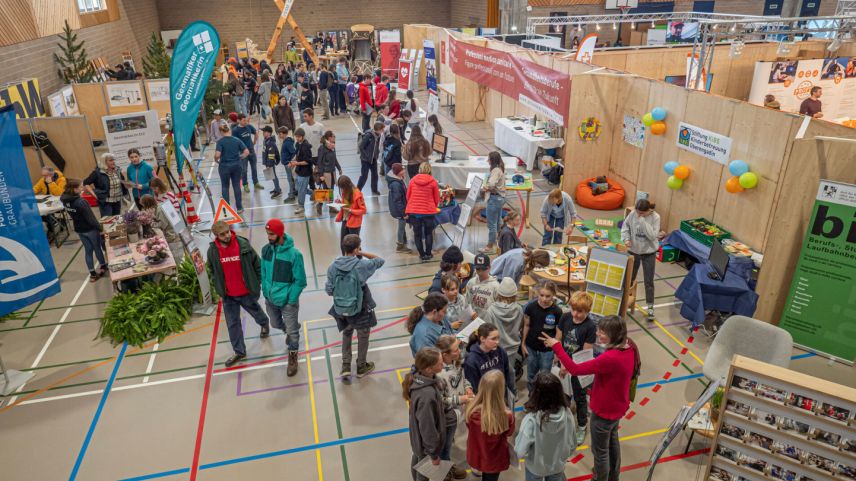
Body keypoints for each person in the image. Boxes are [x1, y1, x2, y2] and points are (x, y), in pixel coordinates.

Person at [541, 316, 637, 481]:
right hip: (617, 408)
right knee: (612, 442)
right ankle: (613, 476)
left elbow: (575, 369)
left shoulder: (610, 358)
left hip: (604, 411)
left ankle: (600, 478)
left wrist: (557, 346)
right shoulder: (629, 347)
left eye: (602, 332)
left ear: (614, 334)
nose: (597, 333)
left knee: (600, 452)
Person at [207, 220, 270, 367]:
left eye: (228, 232)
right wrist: (218, 286)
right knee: (232, 324)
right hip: (228, 296)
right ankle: (240, 351)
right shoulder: (213, 251)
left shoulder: (243, 245)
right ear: (216, 236)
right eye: (223, 234)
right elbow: (211, 270)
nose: (227, 235)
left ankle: (264, 323)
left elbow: (257, 264)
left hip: (246, 292)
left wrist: (258, 282)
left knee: (256, 312)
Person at [326, 234, 384, 378]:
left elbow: (329, 290)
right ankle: (361, 367)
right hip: (360, 308)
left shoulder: (333, 267)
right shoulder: (361, 265)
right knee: (363, 335)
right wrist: (362, 253)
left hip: (341, 309)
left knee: (347, 333)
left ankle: (346, 365)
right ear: (356, 249)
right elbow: (380, 260)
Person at [403, 347, 459, 481]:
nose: (443, 364)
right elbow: (427, 427)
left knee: (418, 459)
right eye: (440, 363)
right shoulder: (426, 395)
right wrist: (433, 454)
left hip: (420, 442)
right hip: (426, 444)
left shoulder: (422, 378)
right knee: (425, 471)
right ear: (429, 369)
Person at [261, 218, 307, 377]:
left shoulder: (294, 255)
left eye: (271, 234)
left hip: (287, 302)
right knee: (274, 323)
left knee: (293, 333)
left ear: (280, 234)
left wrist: (291, 299)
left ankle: (293, 355)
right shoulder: (266, 250)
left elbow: (300, 281)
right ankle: (289, 328)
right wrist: (265, 290)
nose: (269, 237)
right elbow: (263, 272)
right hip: (270, 299)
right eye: (267, 234)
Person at [514, 372, 578, 481]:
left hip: (535, 468)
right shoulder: (567, 414)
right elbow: (572, 444)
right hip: (557, 467)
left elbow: (519, 452)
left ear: (536, 395)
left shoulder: (531, 420)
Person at [557, 290, 598, 445]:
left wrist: (568, 366)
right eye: (573, 309)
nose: (575, 314)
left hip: (578, 368)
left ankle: (582, 426)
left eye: (580, 311)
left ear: (588, 310)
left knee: (580, 398)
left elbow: (584, 354)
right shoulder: (565, 317)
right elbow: (558, 339)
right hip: (563, 364)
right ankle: (565, 421)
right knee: (564, 395)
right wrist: (560, 361)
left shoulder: (590, 327)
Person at [465, 370, 516, 481]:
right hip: (494, 459)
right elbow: (509, 433)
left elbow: (469, 427)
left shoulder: (471, 410)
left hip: (477, 454)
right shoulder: (507, 416)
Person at [621, 198, 664, 321]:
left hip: (648, 253)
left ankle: (650, 307)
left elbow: (652, 236)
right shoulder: (633, 214)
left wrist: (642, 220)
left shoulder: (655, 217)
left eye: (642, 213)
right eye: (637, 212)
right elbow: (625, 227)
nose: (638, 215)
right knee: (629, 278)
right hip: (633, 251)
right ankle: (623, 301)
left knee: (648, 281)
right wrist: (626, 239)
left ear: (648, 210)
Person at [60, 179, 107, 282]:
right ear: (74, 189)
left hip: (79, 229)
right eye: (81, 187)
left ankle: (92, 274)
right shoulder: (81, 202)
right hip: (89, 229)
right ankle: (103, 266)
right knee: (97, 247)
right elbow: (91, 218)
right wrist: (100, 229)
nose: (83, 188)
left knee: (88, 250)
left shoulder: (64, 200)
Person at [523, 281, 563, 392]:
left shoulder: (557, 311)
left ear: (554, 295)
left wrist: (557, 352)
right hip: (531, 347)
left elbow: (558, 333)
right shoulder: (530, 307)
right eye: (541, 295)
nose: (544, 299)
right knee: (531, 374)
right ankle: (531, 395)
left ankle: (542, 398)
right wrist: (523, 343)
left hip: (547, 350)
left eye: (548, 296)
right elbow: (526, 325)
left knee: (545, 376)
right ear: (537, 293)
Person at [482, 277, 523, 381]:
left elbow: (487, 330)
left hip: (496, 348)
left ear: (499, 293)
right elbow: (520, 326)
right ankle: (511, 389)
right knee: (510, 371)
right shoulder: (519, 309)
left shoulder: (491, 310)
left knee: (496, 374)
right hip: (513, 348)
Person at [464, 323, 515, 396]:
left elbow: (507, 374)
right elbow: (474, 387)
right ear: (482, 339)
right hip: (485, 398)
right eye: (493, 339)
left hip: (502, 393)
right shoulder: (471, 360)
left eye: (498, 338)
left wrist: (510, 393)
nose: (497, 342)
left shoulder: (500, 351)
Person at [214, 124, 250, 214]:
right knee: (236, 185)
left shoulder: (220, 142)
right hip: (237, 166)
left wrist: (216, 160)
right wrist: (240, 157)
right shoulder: (237, 140)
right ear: (229, 130)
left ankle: (227, 209)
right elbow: (246, 152)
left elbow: (217, 155)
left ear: (221, 132)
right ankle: (239, 208)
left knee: (225, 186)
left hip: (224, 166)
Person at [139, 195, 183, 262]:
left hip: (172, 235)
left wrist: (152, 223)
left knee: (176, 256)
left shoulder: (159, 210)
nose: (143, 207)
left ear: (147, 204)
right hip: (171, 233)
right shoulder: (157, 207)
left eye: (143, 205)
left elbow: (163, 224)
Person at [480, 152, 507, 255]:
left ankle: (489, 247)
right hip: (500, 199)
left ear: (492, 160)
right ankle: (500, 241)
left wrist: (486, 188)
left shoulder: (495, 170)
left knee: (491, 224)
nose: (488, 161)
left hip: (494, 200)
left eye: (489, 159)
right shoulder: (500, 168)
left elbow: (491, 184)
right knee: (498, 220)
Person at [334, 176, 366, 254]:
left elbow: (363, 210)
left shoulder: (357, 194)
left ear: (347, 185)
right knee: (343, 244)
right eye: (341, 188)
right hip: (345, 220)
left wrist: (351, 210)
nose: (342, 190)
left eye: (343, 187)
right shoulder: (344, 191)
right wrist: (339, 203)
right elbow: (346, 204)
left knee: (355, 246)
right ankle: (345, 260)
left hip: (354, 222)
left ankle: (359, 260)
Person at [232, 114, 263, 192]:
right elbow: (234, 142)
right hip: (243, 152)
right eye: (244, 120)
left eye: (246, 120)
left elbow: (256, 132)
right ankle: (245, 184)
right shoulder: (235, 130)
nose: (245, 122)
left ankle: (256, 182)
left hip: (251, 150)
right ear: (239, 121)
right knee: (244, 170)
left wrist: (254, 142)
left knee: (254, 168)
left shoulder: (249, 126)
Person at [386, 163, 411, 253]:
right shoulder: (396, 184)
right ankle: (400, 246)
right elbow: (398, 201)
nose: (404, 171)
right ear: (398, 172)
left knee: (402, 226)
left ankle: (403, 240)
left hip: (399, 208)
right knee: (401, 227)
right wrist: (403, 213)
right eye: (402, 170)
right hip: (399, 210)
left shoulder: (398, 179)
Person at [466, 253, 500, 318]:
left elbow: (498, 308)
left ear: (489, 268)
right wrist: (470, 314)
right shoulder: (471, 283)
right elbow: (467, 303)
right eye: (478, 269)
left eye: (483, 269)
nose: (480, 272)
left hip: (489, 321)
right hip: (474, 320)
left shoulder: (496, 286)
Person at [289, 128, 313, 216]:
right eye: (296, 136)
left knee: (301, 190)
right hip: (299, 170)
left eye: (298, 137)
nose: (297, 138)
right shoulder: (298, 144)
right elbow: (297, 155)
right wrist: (292, 161)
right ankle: (313, 193)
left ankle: (301, 206)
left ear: (303, 136)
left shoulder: (306, 147)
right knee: (298, 188)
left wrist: (296, 163)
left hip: (305, 172)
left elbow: (307, 161)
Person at [357, 121, 384, 194]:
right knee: (364, 176)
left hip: (373, 159)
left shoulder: (378, 135)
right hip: (365, 160)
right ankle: (357, 191)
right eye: (382, 129)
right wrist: (367, 156)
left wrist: (376, 154)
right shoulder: (368, 136)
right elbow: (361, 147)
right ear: (378, 129)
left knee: (375, 175)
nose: (383, 131)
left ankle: (374, 189)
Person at [317, 130, 343, 199]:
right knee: (326, 192)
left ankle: (330, 204)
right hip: (325, 174)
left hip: (332, 172)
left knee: (331, 191)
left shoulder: (332, 147)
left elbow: (334, 158)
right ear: (329, 138)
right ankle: (322, 203)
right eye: (333, 136)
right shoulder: (322, 148)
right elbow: (319, 162)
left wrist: (339, 168)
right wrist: (321, 175)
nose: (335, 137)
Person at [277, 126, 298, 203]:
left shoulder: (288, 142)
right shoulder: (286, 141)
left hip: (288, 164)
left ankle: (291, 195)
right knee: (291, 179)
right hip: (287, 163)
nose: (279, 135)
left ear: (284, 134)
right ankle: (294, 191)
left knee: (290, 180)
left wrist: (290, 162)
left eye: (280, 134)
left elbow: (293, 152)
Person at [260, 126, 282, 198]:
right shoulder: (266, 140)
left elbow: (271, 155)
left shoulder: (270, 143)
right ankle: (277, 188)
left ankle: (278, 191)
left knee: (273, 176)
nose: (263, 133)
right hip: (267, 162)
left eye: (264, 132)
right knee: (272, 176)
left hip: (270, 162)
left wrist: (269, 164)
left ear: (269, 133)